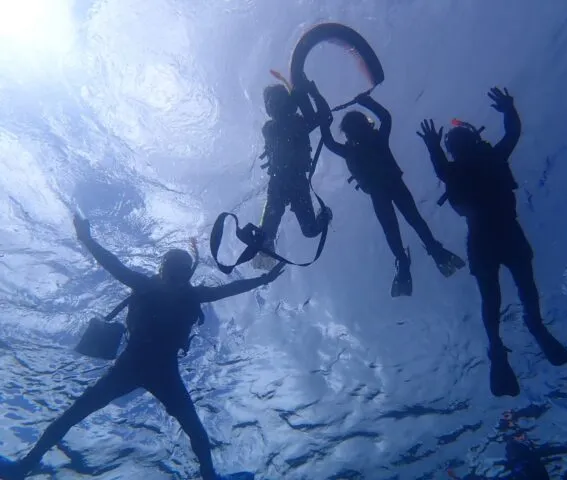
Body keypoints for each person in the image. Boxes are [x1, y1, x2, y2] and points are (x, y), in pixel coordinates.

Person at [0, 215, 284, 480]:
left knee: (195, 431)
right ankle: (27, 464)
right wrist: (85, 239)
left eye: (181, 272)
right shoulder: (152, 286)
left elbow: (229, 290)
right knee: (75, 413)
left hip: (154, 371)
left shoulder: (182, 292)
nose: (175, 278)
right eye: (173, 271)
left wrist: (264, 279)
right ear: (163, 271)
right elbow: (112, 264)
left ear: (185, 274)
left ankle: (210, 476)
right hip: (140, 368)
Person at [417, 87, 567, 397]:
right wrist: (508, 109)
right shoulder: (490, 156)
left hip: (482, 238)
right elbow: (513, 132)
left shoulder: (454, 168)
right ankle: (533, 325)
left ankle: (498, 346)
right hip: (504, 232)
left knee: (494, 298)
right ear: (473, 139)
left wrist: (433, 145)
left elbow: (440, 165)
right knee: (522, 287)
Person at [307, 81, 465, 297]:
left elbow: (328, 141)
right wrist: (367, 101)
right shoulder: (377, 140)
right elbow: (386, 118)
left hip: (379, 192)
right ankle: (432, 249)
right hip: (394, 185)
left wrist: (323, 117)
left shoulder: (351, 150)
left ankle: (404, 259)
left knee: (393, 229)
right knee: (413, 219)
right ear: (365, 125)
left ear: (349, 134)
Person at [253, 82, 332, 269]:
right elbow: (321, 117)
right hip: (279, 182)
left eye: (277, 100)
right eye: (270, 102)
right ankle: (265, 251)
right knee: (267, 234)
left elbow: (324, 117)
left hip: (297, 182)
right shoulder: (271, 128)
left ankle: (325, 215)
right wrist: (305, 97)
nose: (274, 105)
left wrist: (312, 92)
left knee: (310, 231)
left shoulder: (298, 123)